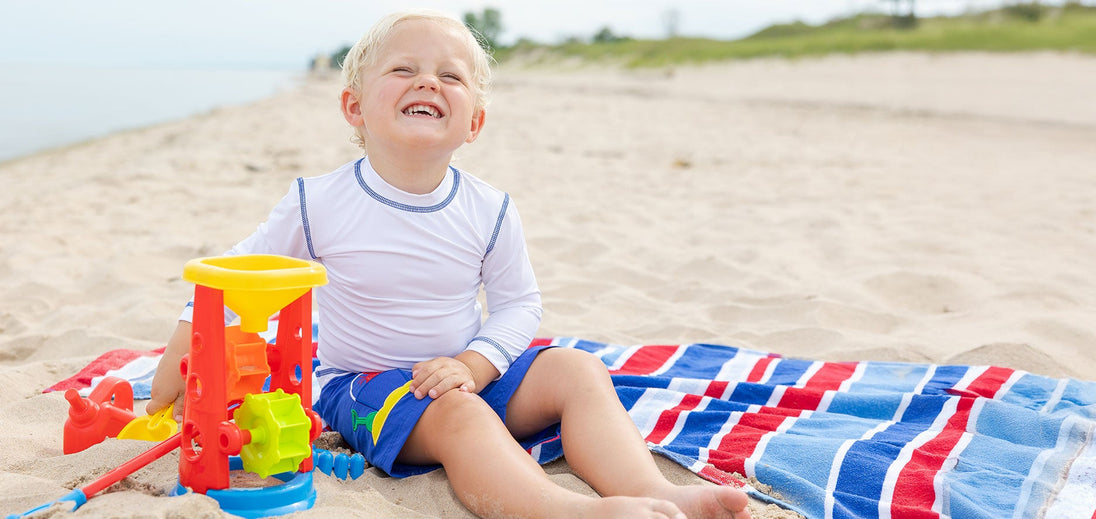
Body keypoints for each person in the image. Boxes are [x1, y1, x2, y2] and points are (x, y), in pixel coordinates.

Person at [145, 10, 750, 519]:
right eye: (404, 69)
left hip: (466, 377)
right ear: (353, 107)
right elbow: (228, 280)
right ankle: (565, 510)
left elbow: (519, 306)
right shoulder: (318, 202)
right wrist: (166, 392)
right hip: (364, 388)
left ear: (474, 123)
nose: (428, 82)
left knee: (577, 368)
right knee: (457, 413)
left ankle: (655, 493)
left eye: (450, 76)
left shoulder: (489, 209)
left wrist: (474, 364)